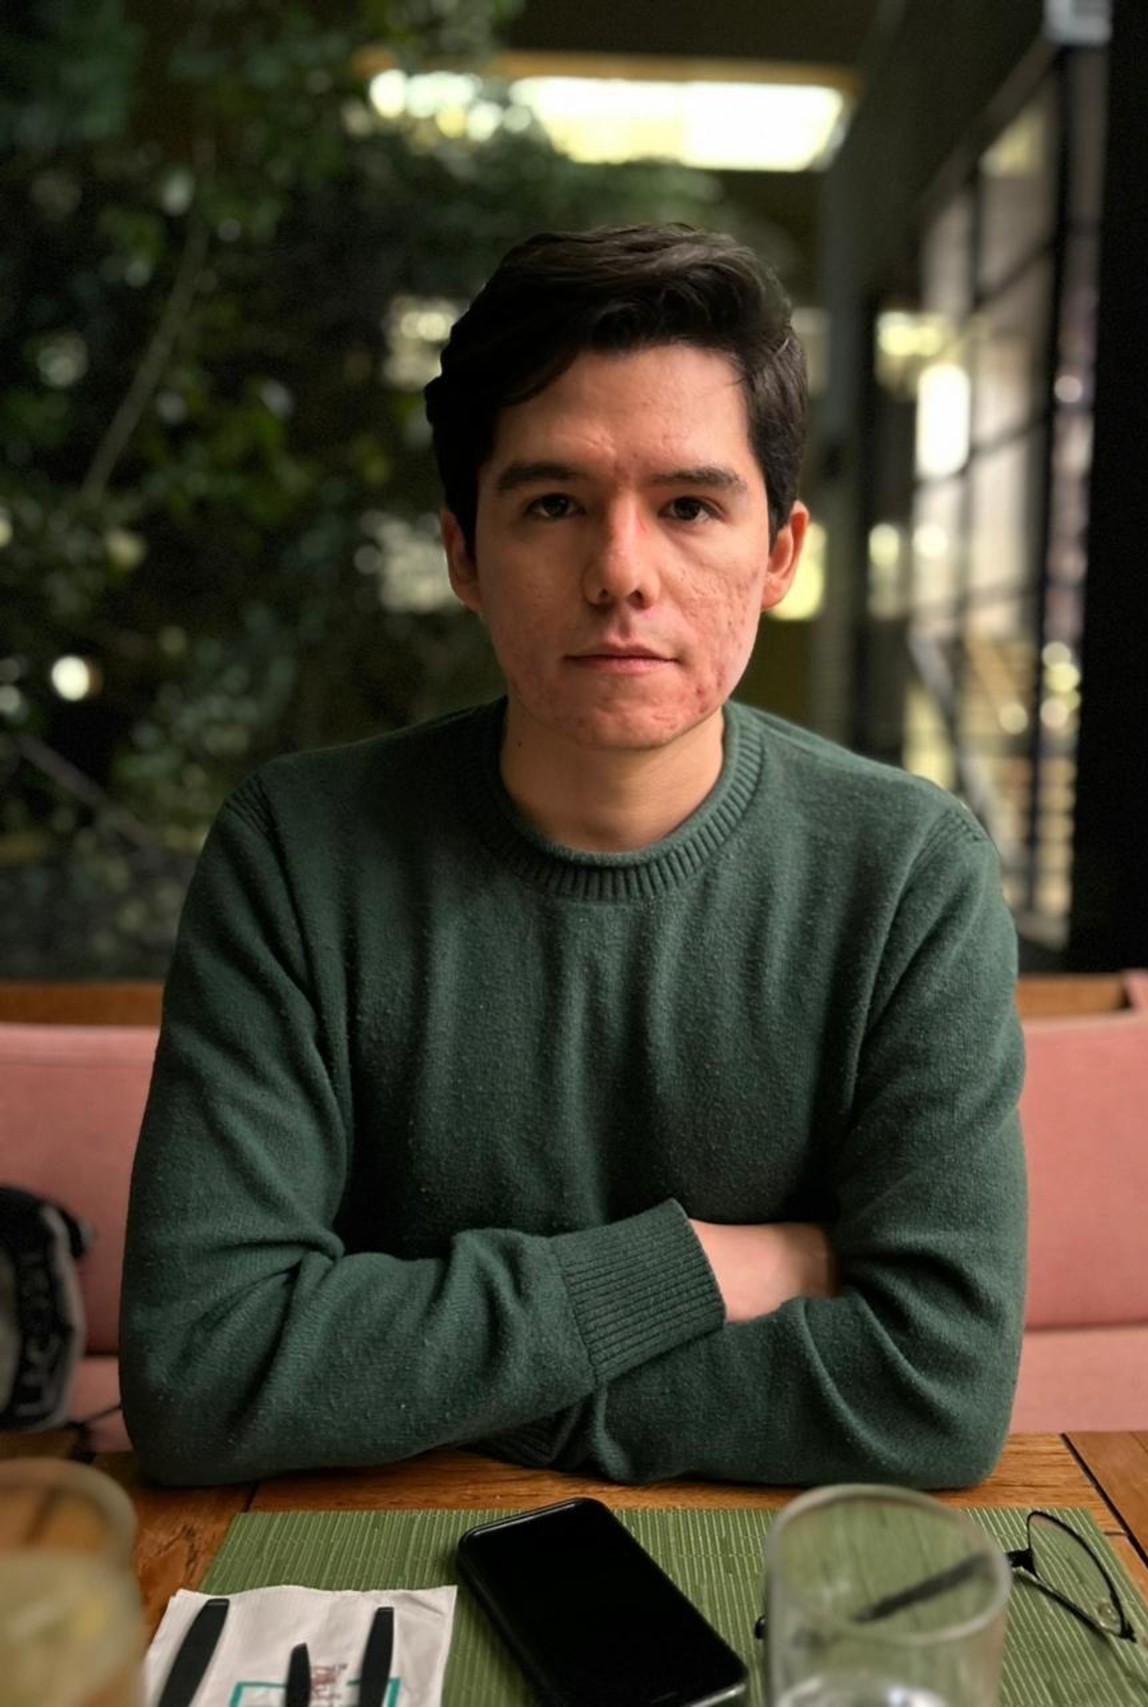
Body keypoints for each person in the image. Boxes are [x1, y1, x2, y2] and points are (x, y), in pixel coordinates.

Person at [120, 225, 1026, 1490]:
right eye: (552, 505)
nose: (620, 574)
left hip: (778, 1573)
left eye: (688, 507)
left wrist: (415, 1387)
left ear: (777, 554)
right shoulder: (296, 853)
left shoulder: (908, 876)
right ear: (463, 554)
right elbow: (203, 1371)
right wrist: (699, 1266)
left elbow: (934, 1396)